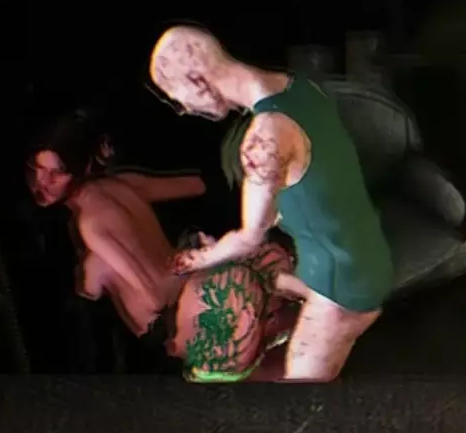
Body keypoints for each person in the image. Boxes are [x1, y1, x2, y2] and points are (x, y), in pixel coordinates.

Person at [149, 25, 395, 381]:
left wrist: (198, 258)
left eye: (178, 98)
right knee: (276, 284)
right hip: (361, 249)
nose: (185, 109)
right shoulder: (298, 87)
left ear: (198, 82)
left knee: (300, 390)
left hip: (342, 282)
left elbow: (251, 238)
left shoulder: (264, 139)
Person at [26, 109, 298, 381]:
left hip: (178, 321)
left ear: (82, 168)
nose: (43, 183)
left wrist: (92, 282)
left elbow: (155, 297)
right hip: (196, 290)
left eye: (57, 173)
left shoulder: (90, 224)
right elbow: (198, 185)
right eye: (36, 170)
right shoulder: (123, 184)